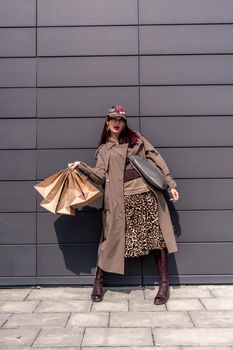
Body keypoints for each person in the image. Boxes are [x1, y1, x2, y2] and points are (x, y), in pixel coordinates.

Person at [68, 105, 179, 304]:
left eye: (121, 119)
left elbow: (156, 158)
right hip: (120, 202)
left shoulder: (136, 139)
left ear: (124, 122)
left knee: (157, 239)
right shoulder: (103, 150)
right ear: (107, 121)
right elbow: (100, 176)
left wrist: (170, 183)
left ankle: (164, 284)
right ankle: (98, 283)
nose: (117, 123)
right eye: (113, 119)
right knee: (110, 240)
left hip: (146, 195)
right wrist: (82, 168)